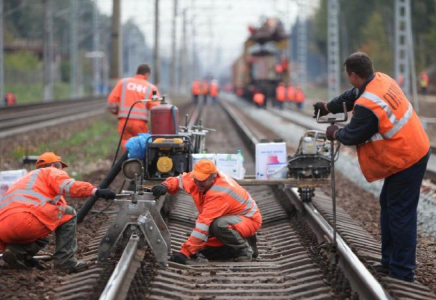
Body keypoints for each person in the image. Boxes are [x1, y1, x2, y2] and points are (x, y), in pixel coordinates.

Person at [313, 52, 430, 282]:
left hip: (408, 158)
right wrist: (328, 107)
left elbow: (353, 134)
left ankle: (403, 272)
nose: (349, 80)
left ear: (354, 74)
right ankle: (390, 262)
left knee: (400, 213)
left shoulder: (368, 105)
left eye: (349, 75)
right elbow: (351, 95)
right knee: (389, 204)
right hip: (409, 149)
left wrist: (334, 132)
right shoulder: (380, 80)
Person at [0, 152, 116, 272]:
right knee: (69, 213)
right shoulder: (51, 171)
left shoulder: (25, 180)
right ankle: (66, 262)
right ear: (54, 166)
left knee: (47, 222)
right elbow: (70, 187)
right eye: (61, 168)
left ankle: (17, 252)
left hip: (3, 229)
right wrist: (95, 191)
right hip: (25, 221)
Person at [151, 159, 262, 264]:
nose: (198, 183)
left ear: (213, 178)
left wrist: (185, 253)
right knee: (207, 251)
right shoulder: (198, 178)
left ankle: (244, 252)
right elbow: (180, 180)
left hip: (248, 220)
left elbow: (203, 224)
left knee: (218, 225)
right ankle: (246, 241)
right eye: (196, 179)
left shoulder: (219, 193)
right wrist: (165, 185)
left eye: (202, 181)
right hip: (232, 217)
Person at [107, 64, 160, 149]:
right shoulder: (151, 87)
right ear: (147, 74)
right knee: (141, 145)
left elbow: (111, 101)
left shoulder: (123, 82)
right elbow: (156, 109)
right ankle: (138, 161)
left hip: (124, 121)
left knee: (126, 143)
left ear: (137, 72)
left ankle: (128, 160)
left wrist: (116, 111)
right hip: (140, 123)